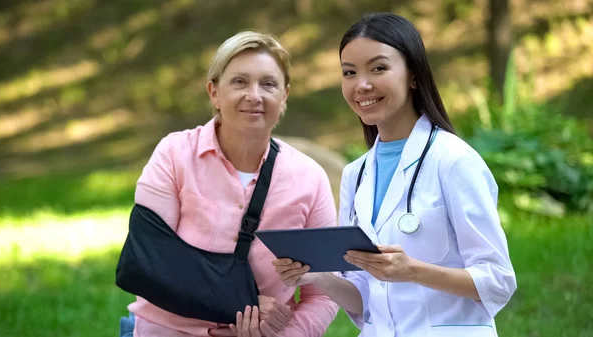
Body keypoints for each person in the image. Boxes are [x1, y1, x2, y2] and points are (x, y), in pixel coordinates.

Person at [272, 12, 517, 337]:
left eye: (378, 68)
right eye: (349, 72)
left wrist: (413, 271)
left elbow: (498, 280)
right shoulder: (355, 175)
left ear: (413, 75)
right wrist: (314, 275)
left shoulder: (454, 161)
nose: (362, 84)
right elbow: (362, 299)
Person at [119, 31, 338, 337]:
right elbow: (150, 262)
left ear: (284, 96)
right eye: (239, 81)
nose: (254, 95)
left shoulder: (310, 178)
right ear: (214, 92)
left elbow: (324, 292)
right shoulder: (175, 154)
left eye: (268, 84)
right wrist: (240, 305)